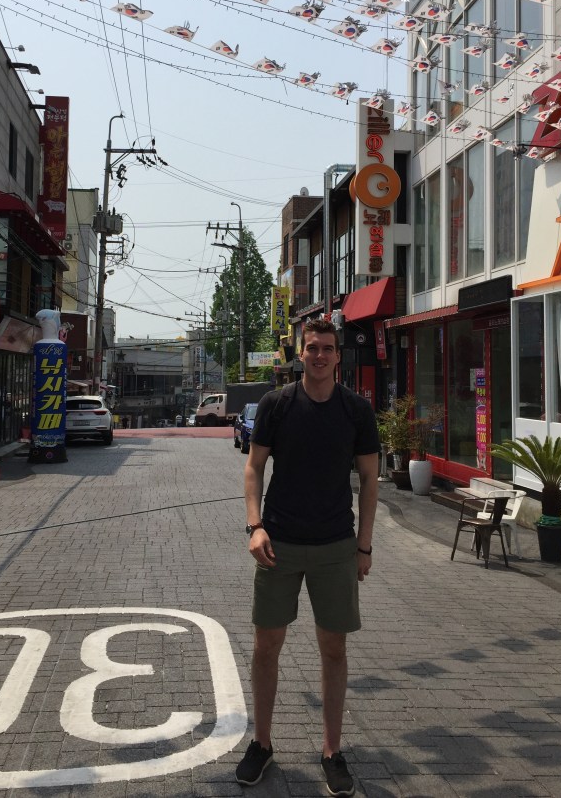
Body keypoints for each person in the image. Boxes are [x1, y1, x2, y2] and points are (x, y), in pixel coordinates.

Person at [236, 318, 380, 797]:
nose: (319, 355)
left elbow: (370, 481)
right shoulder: (277, 404)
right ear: (301, 353)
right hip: (277, 543)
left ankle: (331, 751)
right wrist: (255, 526)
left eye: (327, 348)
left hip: (336, 546)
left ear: (338, 356)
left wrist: (364, 546)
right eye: (312, 347)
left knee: (334, 649)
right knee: (266, 645)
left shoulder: (356, 410)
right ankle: (261, 743)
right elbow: (254, 467)